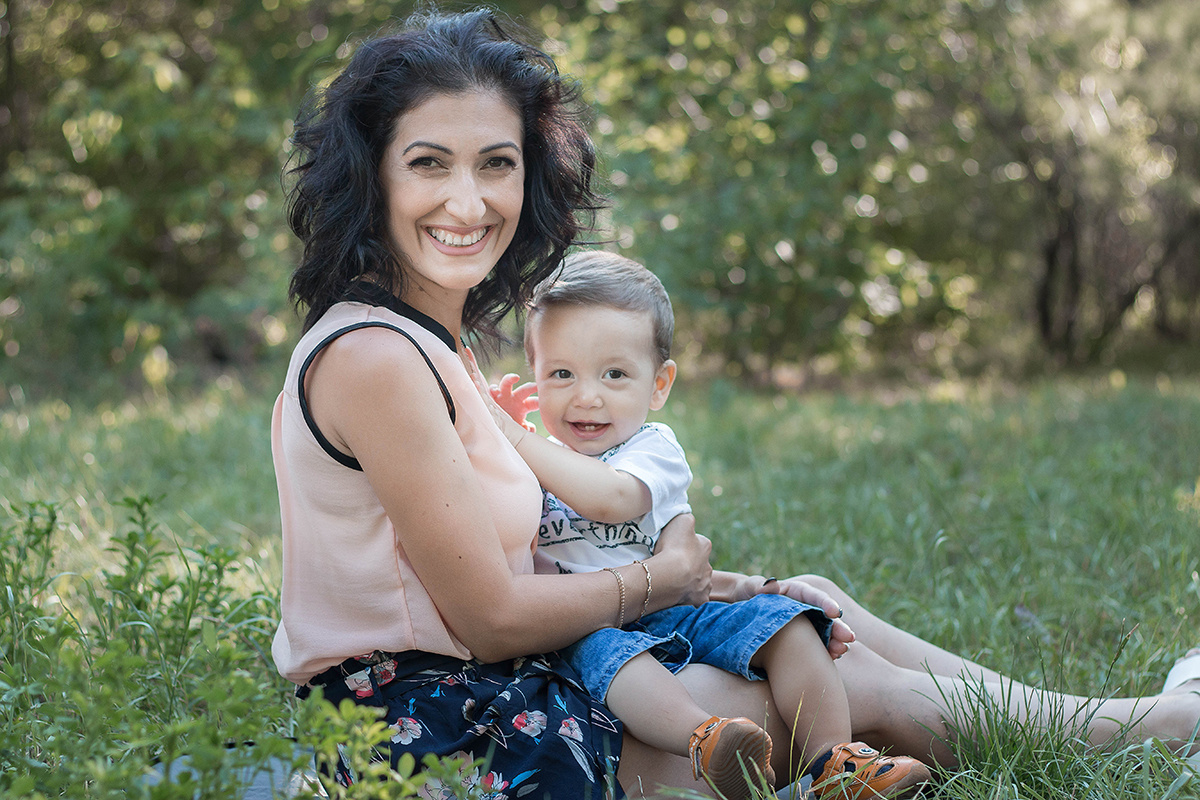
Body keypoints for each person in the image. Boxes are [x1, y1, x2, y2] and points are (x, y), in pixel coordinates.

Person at [271, 6, 1200, 798]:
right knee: (840, 677)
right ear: (374, 172)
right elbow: (489, 621)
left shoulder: (435, 340)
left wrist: (701, 585)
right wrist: (659, 582)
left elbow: (513, 570)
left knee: (810, 607)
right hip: (428, 732)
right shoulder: (378, 359)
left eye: (497, 164)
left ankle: (1125, 718)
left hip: (495, 678)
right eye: (430, 163)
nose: (468, 201)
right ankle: (1154, 731)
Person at [486, 250, 930, 799]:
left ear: (659, 384)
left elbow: (614, 499)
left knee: (786, 622)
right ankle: (707, 739)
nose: (587, 396)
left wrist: (513, 437)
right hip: (588, 627)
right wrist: (501, 449)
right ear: (534, 375)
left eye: (615, 374)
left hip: (677, 608)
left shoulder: (652, 449)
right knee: (614, 661)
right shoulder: (534, 458)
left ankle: (833, 763)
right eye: (561, 373)